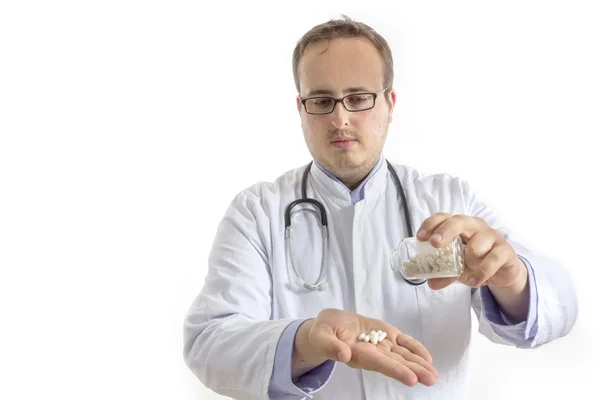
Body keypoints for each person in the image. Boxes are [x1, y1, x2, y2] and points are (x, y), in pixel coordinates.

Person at [183, 15, 578, 399]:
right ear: (301, 109)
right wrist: (307, 339)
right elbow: (210, 345)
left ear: (389, 103)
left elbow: (560, 308)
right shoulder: (258, 213)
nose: (340, 118)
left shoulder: (449, 200)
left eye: (358, 98)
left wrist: (511, 280)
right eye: (322, 101)